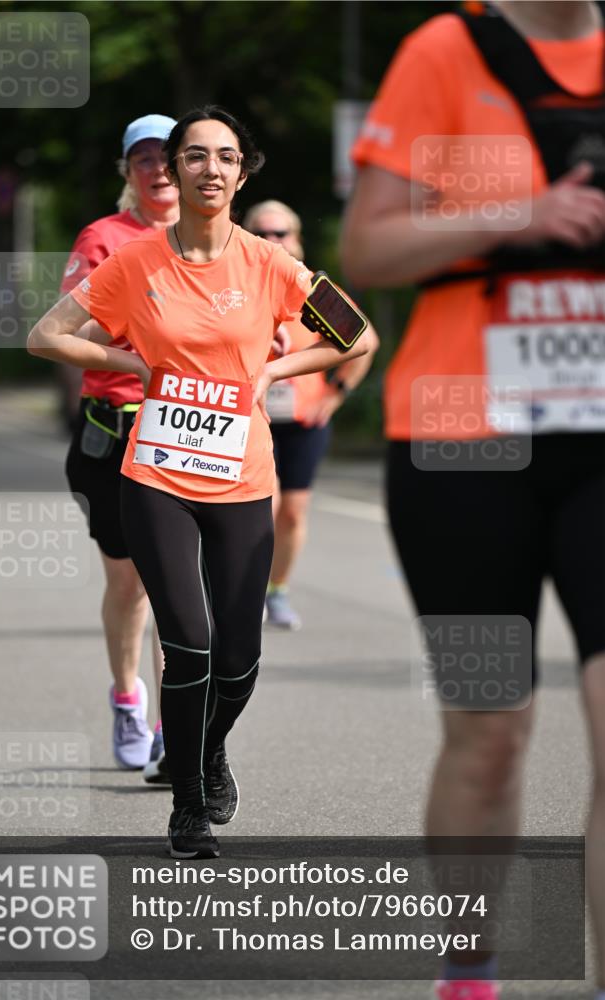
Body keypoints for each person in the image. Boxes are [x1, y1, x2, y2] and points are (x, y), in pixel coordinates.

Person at [341, 3, 605, 998]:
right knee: (489, 734)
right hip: (465, 446)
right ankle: (468, 969)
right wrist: (517, 214)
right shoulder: (444, 53)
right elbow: (365, 250)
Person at [29, 106, 375, 859]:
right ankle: (187, 802)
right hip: (154, 473)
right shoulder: (134, 260)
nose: (208, 168)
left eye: (224, 156)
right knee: (187, 645)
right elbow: (44, 334)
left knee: (239, 658)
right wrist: (137, 366)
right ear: (175, 172)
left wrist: (272, 370)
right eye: (193, 156)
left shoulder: (271, 264)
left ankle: (210, 747)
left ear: (241, 173)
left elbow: (358, 334)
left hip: (242, 477)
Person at [61, 114, 179, 782]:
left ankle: (174, 725)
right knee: (129, 583)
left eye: (172, 155)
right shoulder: (104, 238)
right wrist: (143, 358)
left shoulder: (215, 239)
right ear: (127, 172)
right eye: (144, 158)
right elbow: (68, 328)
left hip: (191, 429)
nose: (159, 168)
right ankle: (128, 697)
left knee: (178, 585)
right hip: (115, 426)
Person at [242, 200, 379, 630]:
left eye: (281, 233)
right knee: (266, 504)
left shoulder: (311, 289)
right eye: (262, 233)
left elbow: (365, 339)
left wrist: (335, 393)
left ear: (296, 239)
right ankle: (243, 590)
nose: (272, 240)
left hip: (304, 419)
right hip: (251, 418)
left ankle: (276, 591)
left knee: (294, 512)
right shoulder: (235, 286)